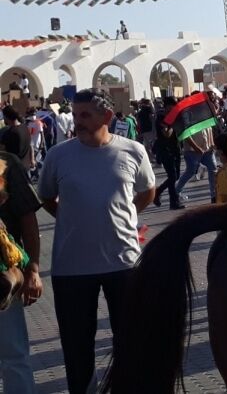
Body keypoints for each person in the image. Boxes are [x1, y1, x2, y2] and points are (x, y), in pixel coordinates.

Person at [36, 88, 156, 394]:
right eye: (75, 115)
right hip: (71, 268)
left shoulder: (132, 151)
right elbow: (47, 196)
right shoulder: (58, 155)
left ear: (106, 116)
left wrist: (122, 216)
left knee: (131, 343)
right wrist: (73, 217)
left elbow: (146, 191)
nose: (78, 122)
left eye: (85, 115)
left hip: (124, 262)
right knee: (77, 351)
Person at [0, 148, 43, 394]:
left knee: (13, 354)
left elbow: (28, 218)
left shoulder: (7, 163)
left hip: (4, 278)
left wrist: (33, 269)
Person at [174, 114, 217, 204]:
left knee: (213, 170)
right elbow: (186, 135)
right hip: (192, 150)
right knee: (190, 171)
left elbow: (209, 131)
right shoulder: (187, 119)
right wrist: (196, 147)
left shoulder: (205, 116)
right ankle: (176, 192)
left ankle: (214, 195)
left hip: (207, 149)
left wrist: (212, 143)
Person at [151, 122, 184, 209]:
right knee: (172, 176)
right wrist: (172, 125)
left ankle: (159, 193)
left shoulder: (176, 117)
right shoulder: (162, 117)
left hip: (175, 150)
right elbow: (167, 134)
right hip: (166, 151)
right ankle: (173, 202)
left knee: (175, 177)